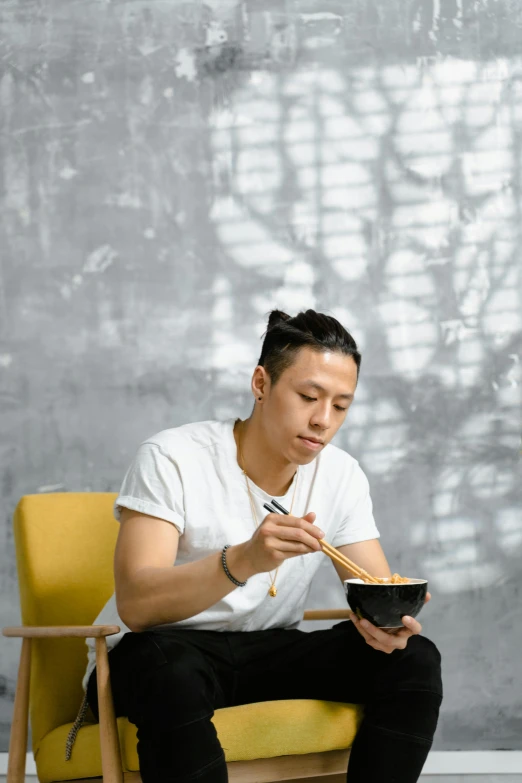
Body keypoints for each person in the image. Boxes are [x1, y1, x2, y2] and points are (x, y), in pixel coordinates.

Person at [65, 308, 442, 782]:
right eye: (308, 396)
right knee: (168, 666)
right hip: (163, 654)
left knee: (414, 657)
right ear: (261, 384)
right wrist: (243, 559)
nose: (323, 420)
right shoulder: (172, 457)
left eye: (341, 405)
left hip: (268, 650)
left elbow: (371, 585)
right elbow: (137, 606)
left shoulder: (341, 474)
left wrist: (388, 621)